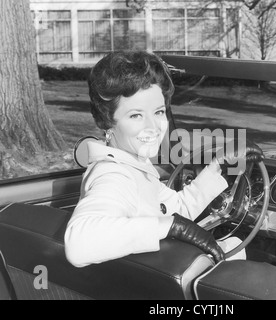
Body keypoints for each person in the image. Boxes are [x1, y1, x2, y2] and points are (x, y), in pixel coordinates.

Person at [64, 50, 255, 268]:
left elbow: (177, 209)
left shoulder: (135, 167)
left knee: (233, 243)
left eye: (159, 112)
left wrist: (217, 165)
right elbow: (79, 243)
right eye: (136, 115)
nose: (154, 127)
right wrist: (169, 226)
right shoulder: (113, 175)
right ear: (108, 122)